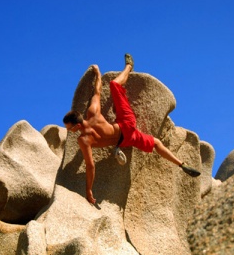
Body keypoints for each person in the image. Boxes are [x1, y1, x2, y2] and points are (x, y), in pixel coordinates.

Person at [63, 54, 201, 204]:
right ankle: (181, 163)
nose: (69, 131)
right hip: (127, 125)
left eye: (69, 128)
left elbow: (90, 166)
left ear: (77, 126)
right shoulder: (93, 113)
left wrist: (89, 190)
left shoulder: (83, 140)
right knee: (115, 85)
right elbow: (98, 91)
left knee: (155, 143)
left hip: (126, 140)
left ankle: (117, 148)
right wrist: (97, 73)